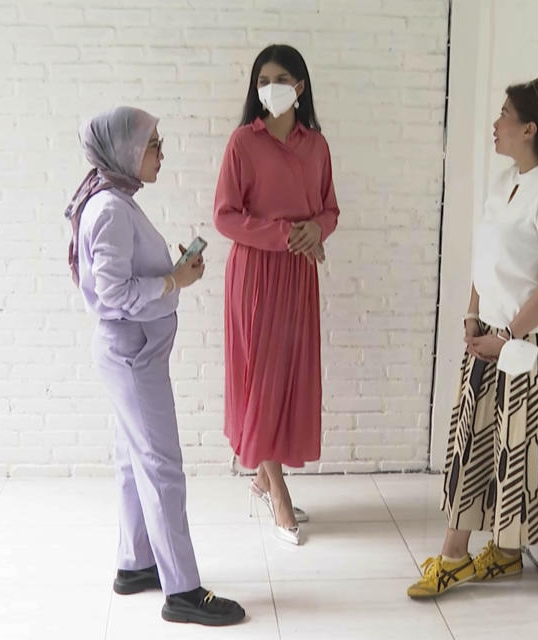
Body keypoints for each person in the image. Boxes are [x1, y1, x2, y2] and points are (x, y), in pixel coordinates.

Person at [407, 79, 538, 598]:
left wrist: (508, 334)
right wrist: (471, 312)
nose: (496, 122)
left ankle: (453, 557)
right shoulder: (507, 181)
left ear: (530, 128)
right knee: (477, 441)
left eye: (504, 114)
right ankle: (504, 555)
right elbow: (486, 256)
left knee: (516, 450)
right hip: (492, 332)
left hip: (533, 341)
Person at [65, 106, 244, 626]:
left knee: (133, 458)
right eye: (153, 145)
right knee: (160, 463)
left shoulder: (111, 200)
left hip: (131, 349)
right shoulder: (112, 210)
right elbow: (113, 294)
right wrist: (175, 282)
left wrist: (172, 272)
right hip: (133, 352)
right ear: (124, 151)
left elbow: (116, 283)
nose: (161, 153)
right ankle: (183, 590)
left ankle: (136, 562)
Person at [213, 45, 340, 545]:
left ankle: (264, 479)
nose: (270, 87)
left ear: (300, 86)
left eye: (281, 78)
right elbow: (225, 216)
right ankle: (279, 493)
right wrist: (286, 234)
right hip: (256, 276)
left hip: (299, 276)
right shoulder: (244, 142)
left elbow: (330, 210)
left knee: (288, 377)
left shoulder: (318, 145)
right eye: (262, 79)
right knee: (261, 380)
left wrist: (315, 231)